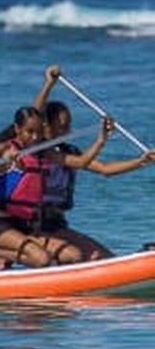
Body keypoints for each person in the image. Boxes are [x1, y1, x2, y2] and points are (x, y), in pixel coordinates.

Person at [30, 64, 155, 259]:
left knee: (104, 256)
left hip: (56, 224)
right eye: (62, 127)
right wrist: (49, 84)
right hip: (32, 225)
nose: (68, 131)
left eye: (69, 126)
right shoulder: (36, 150)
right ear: (45, 126)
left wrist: (141, 161)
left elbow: (104, 169)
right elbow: (34, 113)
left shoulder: (69, 152)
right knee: (80, 256)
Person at [0, 106, 113, 268]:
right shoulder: (4, 149)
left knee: (74, 256)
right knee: (42, 260)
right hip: (0, 225)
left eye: (39, 132)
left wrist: (101, 139)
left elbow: (81, 162)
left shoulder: (45, 152)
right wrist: (3, 160)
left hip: (27, 226)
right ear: (17, 129)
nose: (35, 137)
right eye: (30, 132)